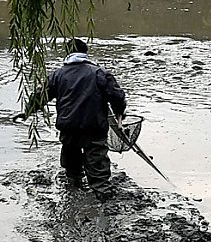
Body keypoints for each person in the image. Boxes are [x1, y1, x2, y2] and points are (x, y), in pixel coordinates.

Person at [12, 38, 126, 201]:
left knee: (71, 164)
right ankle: (103, 200)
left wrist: (27, 112)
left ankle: (74, 194)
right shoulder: (99, 73)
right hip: (93, 128)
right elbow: (117, 96)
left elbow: (40, 96)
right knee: (97, 164)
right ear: (85, 53)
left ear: (67, 54)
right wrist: (120, 114)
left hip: (68, 128)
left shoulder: (57, 75)